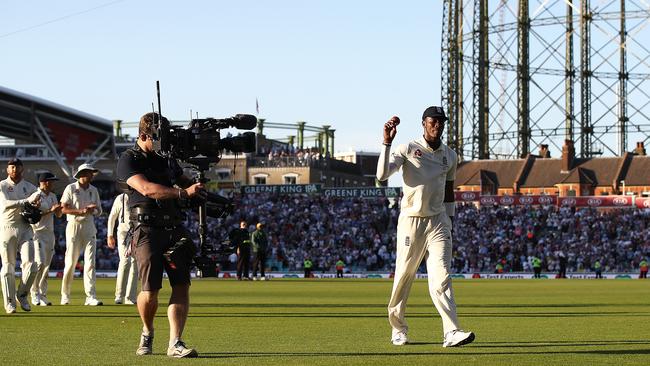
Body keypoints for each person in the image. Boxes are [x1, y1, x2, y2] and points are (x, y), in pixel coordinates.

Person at [377, 106, 474, 347]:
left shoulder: (450, 156)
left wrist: (450, 221)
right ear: (424, 123)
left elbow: (449, 190)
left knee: (441, 275)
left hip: (439, 221)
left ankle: (451, 331)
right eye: (433, 121)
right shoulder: (408, 148)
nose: (438, 125)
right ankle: (398, 328)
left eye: (441, 121)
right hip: (412, 220)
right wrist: (386, 143)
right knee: (404, 275)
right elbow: (381, 176)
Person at [117, 112, 205, 358]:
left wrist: (197, 188)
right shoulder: (128, 159)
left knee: (181, 285)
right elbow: (146, 189)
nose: (162, 144)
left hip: (174, 226)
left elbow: (183, 180)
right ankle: (147, 331)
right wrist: (182, 193)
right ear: (143, 135)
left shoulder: (167, 158)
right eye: (158, 139)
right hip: (146, 229)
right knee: (150, 291)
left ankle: (175, 342)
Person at [0, 158, 41, 313]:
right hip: (6, 228)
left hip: (25, 228)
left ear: (22, 168)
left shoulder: (29, 187)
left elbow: (41, 204)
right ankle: (10, 303)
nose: (14, 169)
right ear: (7, 170)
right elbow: (5, 204)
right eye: (12, 167)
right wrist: (26, 201)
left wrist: (37, 203)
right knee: (8, 267)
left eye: (17, 166)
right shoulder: (2, 185)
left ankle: (22, 294)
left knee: (32, 265)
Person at [60, 163, 103, 306]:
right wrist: (81, 211)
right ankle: (65, 295)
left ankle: (90, 296)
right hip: (74, 225)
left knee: (91, 262)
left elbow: (100, 211)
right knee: (71, 262)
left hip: (89, 226)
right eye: (89, 173)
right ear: (82, 174)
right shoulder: (70, 188)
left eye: (92, 173)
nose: (91, 175)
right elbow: (64, 209)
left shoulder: (94, 190)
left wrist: (94, 210)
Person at [30, 172, 63, 306]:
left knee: (46, 266)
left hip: (49, 233)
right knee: (40, 263)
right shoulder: (35, 195)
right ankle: (34, 293)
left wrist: (58, 209)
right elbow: (32, 215)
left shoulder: (53, 196)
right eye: (52, 181)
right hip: (36, 233)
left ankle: (42, 294)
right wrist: (50, 210)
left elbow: (59, 215)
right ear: (45, 182)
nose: (54, 183)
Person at [107, 192, 137, 304]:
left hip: (137, 233)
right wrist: (110, 235)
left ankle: (130, 297)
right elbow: (112, 217)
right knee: (125, 261)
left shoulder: (141, 196)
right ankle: (119, 295)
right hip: (123, 233)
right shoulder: (121, 198)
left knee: (135, 264)